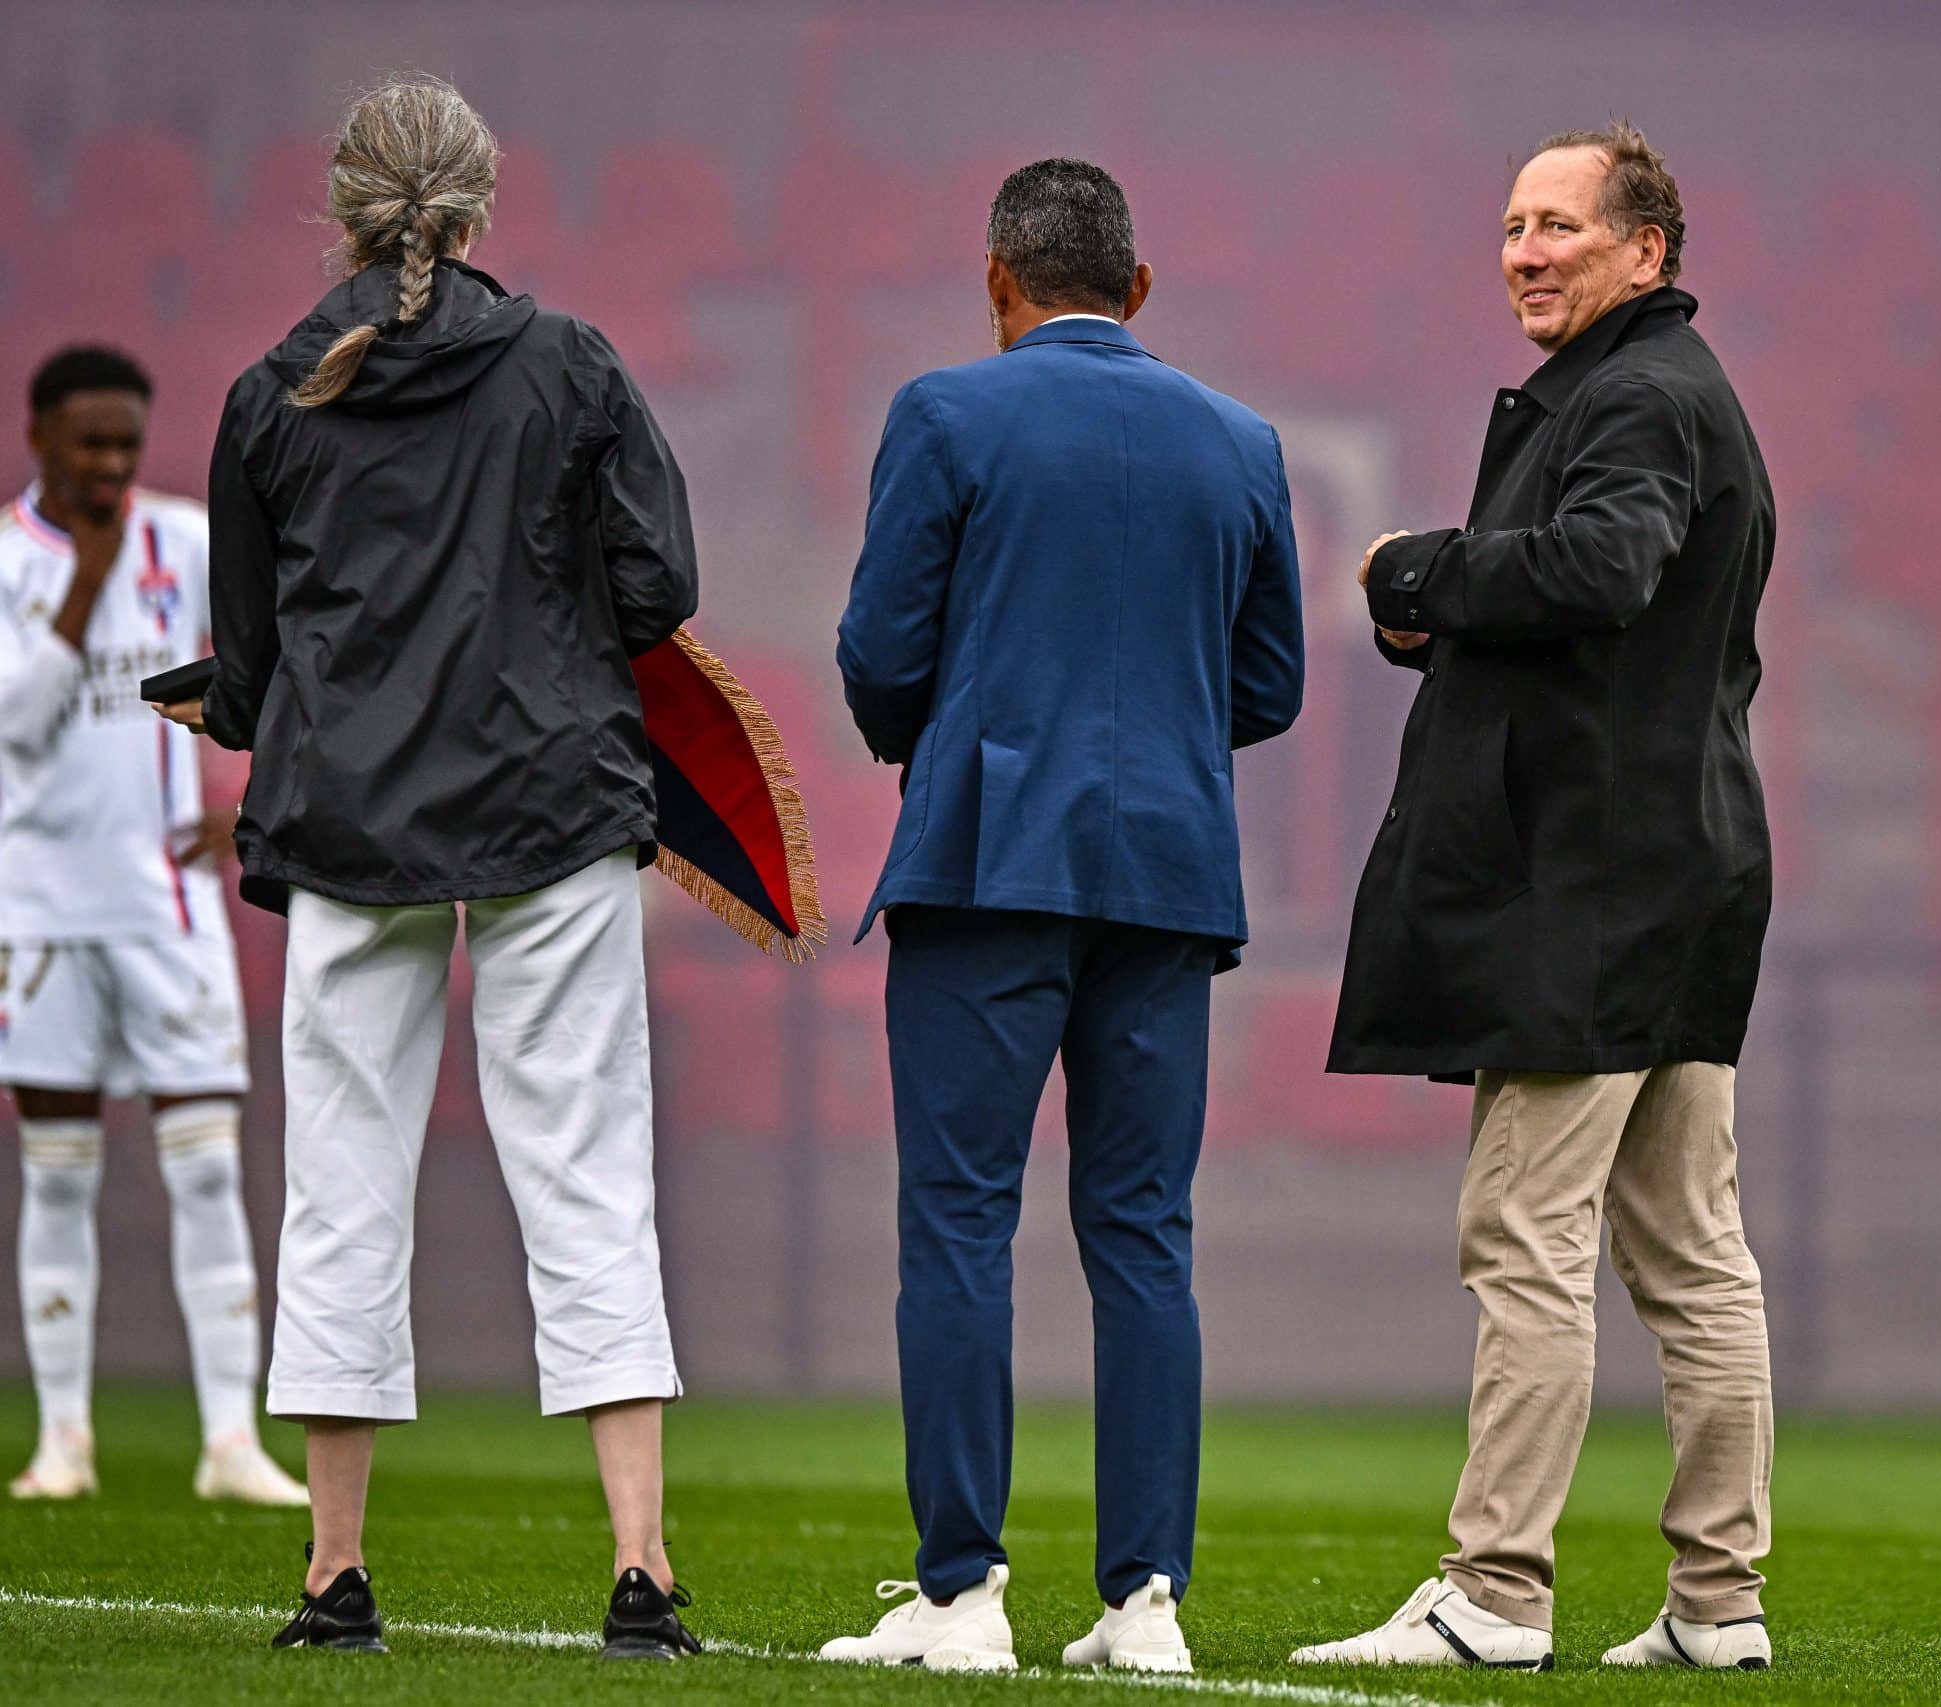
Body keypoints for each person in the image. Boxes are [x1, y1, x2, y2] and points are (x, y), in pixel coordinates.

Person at [155, 76, 701, 1660]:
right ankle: (642, 1574)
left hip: (351, 824)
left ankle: (334, 1578)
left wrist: (261, 689)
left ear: (345, 210)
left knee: (338, 1189)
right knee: (591, 1172)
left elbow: (249, 673)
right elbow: (659, 585)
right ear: (478, 210)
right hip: (551, 809)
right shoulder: (569, 365)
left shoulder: (272, 395)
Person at [1295, 123, 1779, 1673]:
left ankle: (1495, 1587)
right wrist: (1455, 621)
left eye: (1559, 223)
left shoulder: (1636, 393)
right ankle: (1719, 1600)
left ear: (1650, 251)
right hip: (1680, 872)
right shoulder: (1672, 392)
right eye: (1511, 223)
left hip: (1594, 889)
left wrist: (1415, 575)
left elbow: (1601, 569)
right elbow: (1602, 614)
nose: (1524, 249)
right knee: (1693, 1250)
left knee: (1526, 1232)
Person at [821, 159, 1303, 1675]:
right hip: (1168, 877)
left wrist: (959, 726)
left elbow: (880, 650)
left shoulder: (946, 414)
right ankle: (1145, 1601)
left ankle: (962, 1593)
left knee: (962, 1219)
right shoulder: (1243, 441)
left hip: (984, 861)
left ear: (997, 279)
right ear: (1139, 287)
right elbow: (1272, 685)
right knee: (1144, 1232)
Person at [0, 346, 307, 1509]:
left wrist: (252, 803)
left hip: (168, 915)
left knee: (206, 1169)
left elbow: (278, 664)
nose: (112, 467)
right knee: (60, 1175)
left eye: (127, 443)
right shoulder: (9, 562)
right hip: (38, 915)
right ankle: (62, 1443)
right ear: (40, 433)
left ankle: (231, 1442)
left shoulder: (185, 542)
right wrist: (82, 583)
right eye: (90, 443)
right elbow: (16, 727)